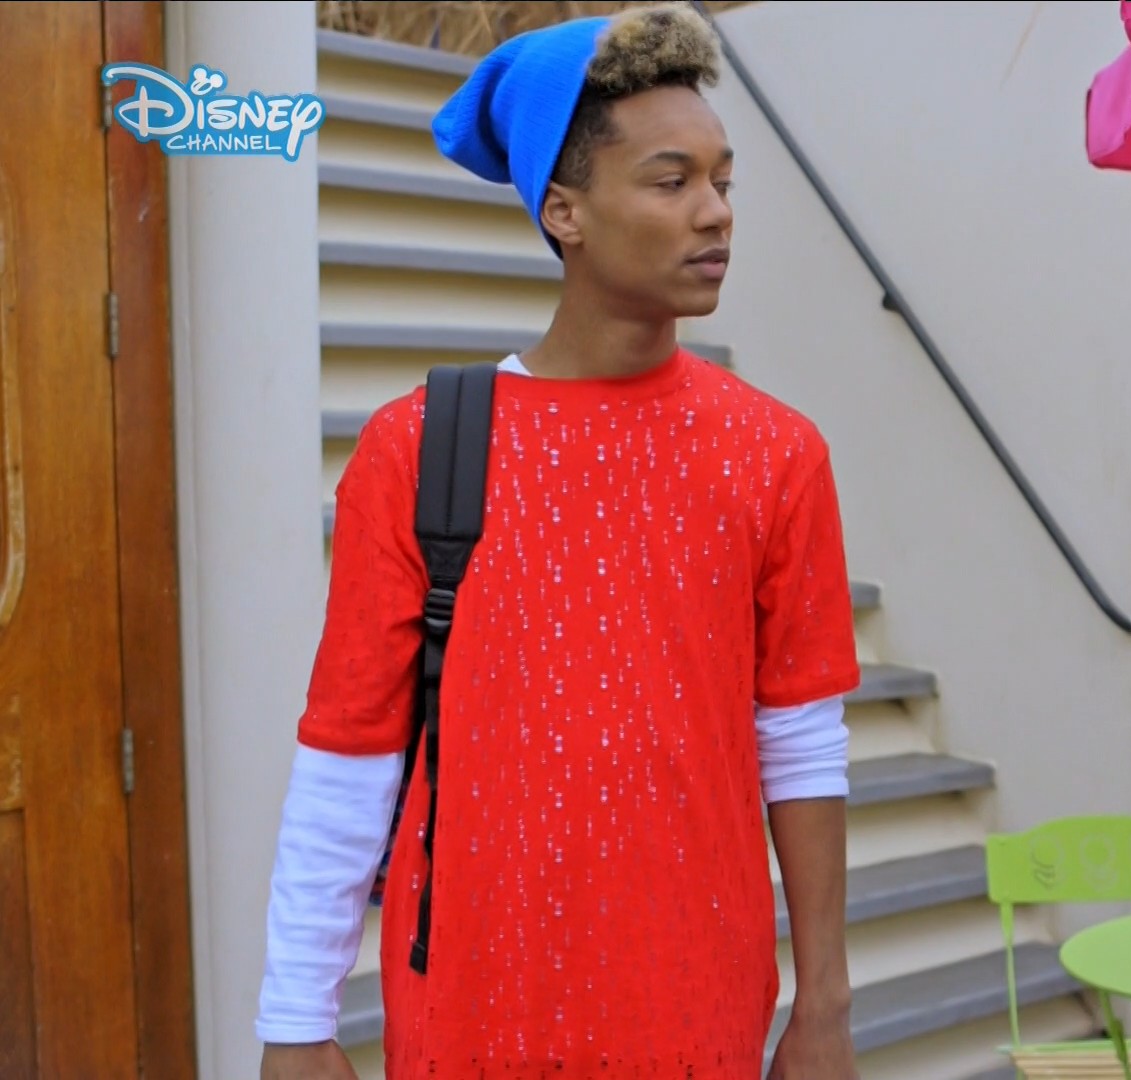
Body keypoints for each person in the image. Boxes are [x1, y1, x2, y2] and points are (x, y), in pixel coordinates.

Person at [255, 6, 863, 1078]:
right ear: (564, 210)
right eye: (672, 181)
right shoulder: (419, 449)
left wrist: (826, 1004)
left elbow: (802, 741)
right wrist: (294, 1022)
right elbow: (349, 753)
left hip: (696, 1009)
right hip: (472, 1010)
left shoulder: (776, 453)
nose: (715, 213)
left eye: (724, 181)